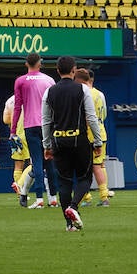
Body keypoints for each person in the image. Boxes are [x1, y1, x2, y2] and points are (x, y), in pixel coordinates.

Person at [41, 56, 105, 232]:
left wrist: (47, 145)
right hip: (80, 140)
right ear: (74, 70)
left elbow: (45, 121)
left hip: (58, 141)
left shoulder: (49, 92)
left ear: (57, 70)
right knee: (85, 177)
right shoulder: (82, 90)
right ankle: (74, 207)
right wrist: (98, 141)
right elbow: (92, 118)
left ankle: (69, 224)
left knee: (64, 182)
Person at [12, 53, 56, 208]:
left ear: (26, 64)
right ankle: (52, 198)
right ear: (40, 63)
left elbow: (17, 107)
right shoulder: (49, 80)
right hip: (48, 125)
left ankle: (38, 199)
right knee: (49, 162)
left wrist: (12, 131)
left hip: (30, 125)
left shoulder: (20, 81)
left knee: (36, 162)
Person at [75, 68, 112, 206]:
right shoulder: (100, 94)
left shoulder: (85, 93)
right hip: (101, 131)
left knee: (86, 167)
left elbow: (86, 116)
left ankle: (88, 197)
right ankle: (104, 195)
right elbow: (105, 114)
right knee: (100, 165)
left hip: (89, 133)